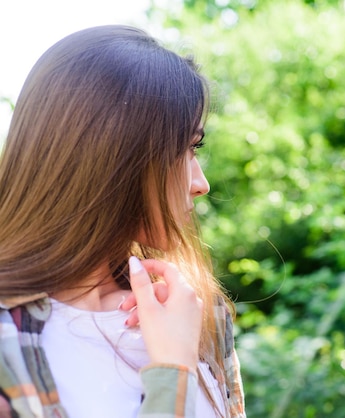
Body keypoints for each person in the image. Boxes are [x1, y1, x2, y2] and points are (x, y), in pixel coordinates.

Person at [0, 25, 245, 417]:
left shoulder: (196, 311)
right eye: (183, 150)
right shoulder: (7, 341)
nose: (201, 184)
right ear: (111, 159)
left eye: (196, 148)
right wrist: (172, 375)